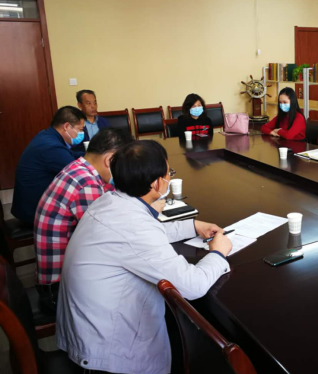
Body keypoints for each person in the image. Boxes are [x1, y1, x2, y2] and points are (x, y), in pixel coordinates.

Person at [56, 140, 232, 374]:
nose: (169, 177)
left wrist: (192, 226)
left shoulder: (110, 201)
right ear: (156, 183)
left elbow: (143, 234)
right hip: (109, 354)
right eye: (169, 173)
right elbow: (193, 286)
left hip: (89, 328)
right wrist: (218, 253)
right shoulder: (133, 225)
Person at [34, 128, 134, 314]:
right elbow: (107, 239)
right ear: (109, 160)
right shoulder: (86, 184)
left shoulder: (79, 168)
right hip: (59, 291)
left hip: (55, 279)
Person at [11, 106, 86, 225]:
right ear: (66, 126)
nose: (82, 134)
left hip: (30, 205)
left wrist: (92, 154)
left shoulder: (47, 136)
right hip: (34, 212)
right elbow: (80, 174)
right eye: (80, 129)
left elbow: (70, 154)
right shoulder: (50, 147)